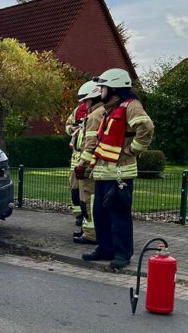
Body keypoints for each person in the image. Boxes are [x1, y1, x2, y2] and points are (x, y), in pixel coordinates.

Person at [78, 68, 154, 269]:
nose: (100, 91)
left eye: (103, 87)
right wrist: (84, 164)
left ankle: (122, 254)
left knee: (119, 216)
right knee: (101, 215)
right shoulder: (110, 109)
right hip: (103, 174)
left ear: (114, 88)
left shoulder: (131, 106)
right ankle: (105, 249)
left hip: (120, 175)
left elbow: (146, 128)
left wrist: (132, 150)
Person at [72, 83, 104, 245]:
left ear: (94, 99)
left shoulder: (95, 115)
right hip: (97, 165)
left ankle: (91, 234)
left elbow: (90, 144)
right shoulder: (101, 112)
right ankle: (88, 230)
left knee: (88, 200)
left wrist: (82, 165)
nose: (85, 104)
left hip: (89, 167)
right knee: (88, 199)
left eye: (87, 101)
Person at [67, 81, 97, 226]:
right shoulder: (77, 110)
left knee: (86, 192)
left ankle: (87, 219)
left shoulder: (97, 114)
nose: (84, 103)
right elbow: (68, 125)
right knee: (74, 189)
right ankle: (78, 215)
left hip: (86, 159)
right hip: (76, 157)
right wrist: (72, 129)